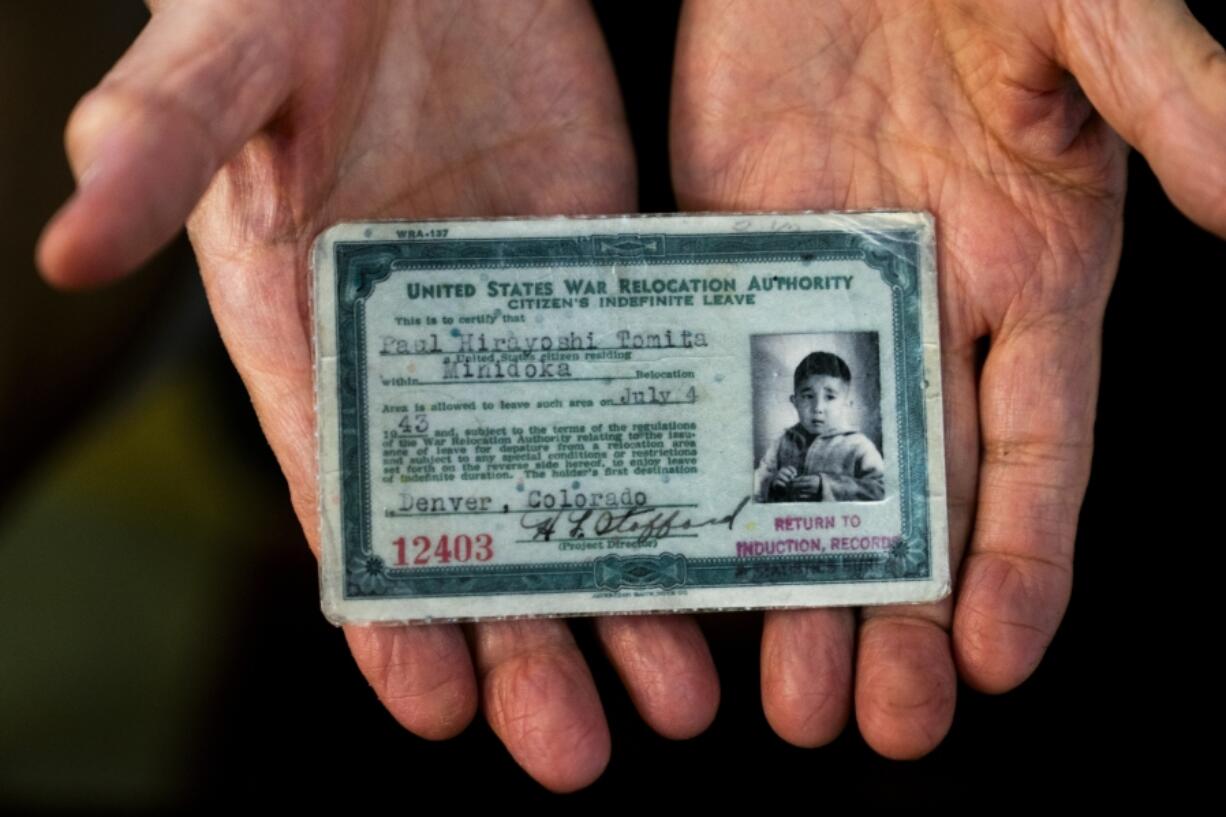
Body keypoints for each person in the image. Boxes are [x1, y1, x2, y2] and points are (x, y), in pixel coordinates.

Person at [34, 0, 1226, 794]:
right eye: (804, 400)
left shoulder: (864, 456)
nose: (812, 413)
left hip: (947, 147)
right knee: (355, 598)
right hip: (401, 106)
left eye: (823, 399)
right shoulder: (792, 454)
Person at [754, 351, 885, 503]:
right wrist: (772, 483)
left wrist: (828, 486)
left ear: (847, 404)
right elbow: (756, 483)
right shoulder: (783, 442)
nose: (818, 407)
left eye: (830, 397)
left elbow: (880, 490)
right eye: (808, 396)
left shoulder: (859, 446)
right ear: (794, 401)